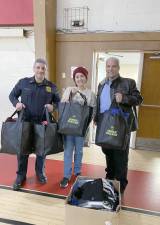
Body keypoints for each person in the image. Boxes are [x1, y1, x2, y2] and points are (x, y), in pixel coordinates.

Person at [9, 58, 60, 191]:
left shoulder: (52, 87)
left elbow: (59, 103)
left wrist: (52, 107)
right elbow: (12, 95)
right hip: (25, 121)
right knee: (22, 150)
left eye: (43, 68)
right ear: (34, 69)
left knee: (41, 151)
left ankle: (40, 173)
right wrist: (17, 104)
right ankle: (20, 176)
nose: (40, 70)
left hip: (42, 124)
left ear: (45, 70)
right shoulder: (23, 82)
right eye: (38, 67)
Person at [94, 57, 143, 193]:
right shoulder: (102, 84)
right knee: (108, 154)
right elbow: (99, 103)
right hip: (104, 125)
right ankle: (109, 179)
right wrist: (96, 118)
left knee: (121, 158)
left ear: (118, 68)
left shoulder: (129, 83)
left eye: (113, 66)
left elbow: (139, 99)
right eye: (108, 66)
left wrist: (124, 98)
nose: (110, 69)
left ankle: (120, 186)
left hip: (121, 128)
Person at [60, 66, 96, 188]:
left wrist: (87, 124)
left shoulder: (91, 93)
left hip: (81, 129)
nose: (79, 79)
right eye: (77, 76)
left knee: (79, 151)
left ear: (86, 78)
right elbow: (63, 105)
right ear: (74, 79)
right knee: (68, 151)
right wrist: (70, 93)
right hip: (69, 128)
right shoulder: (69, 89)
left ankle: (77, 171)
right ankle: (66, 175)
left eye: (82, 76)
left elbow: (93, 110)